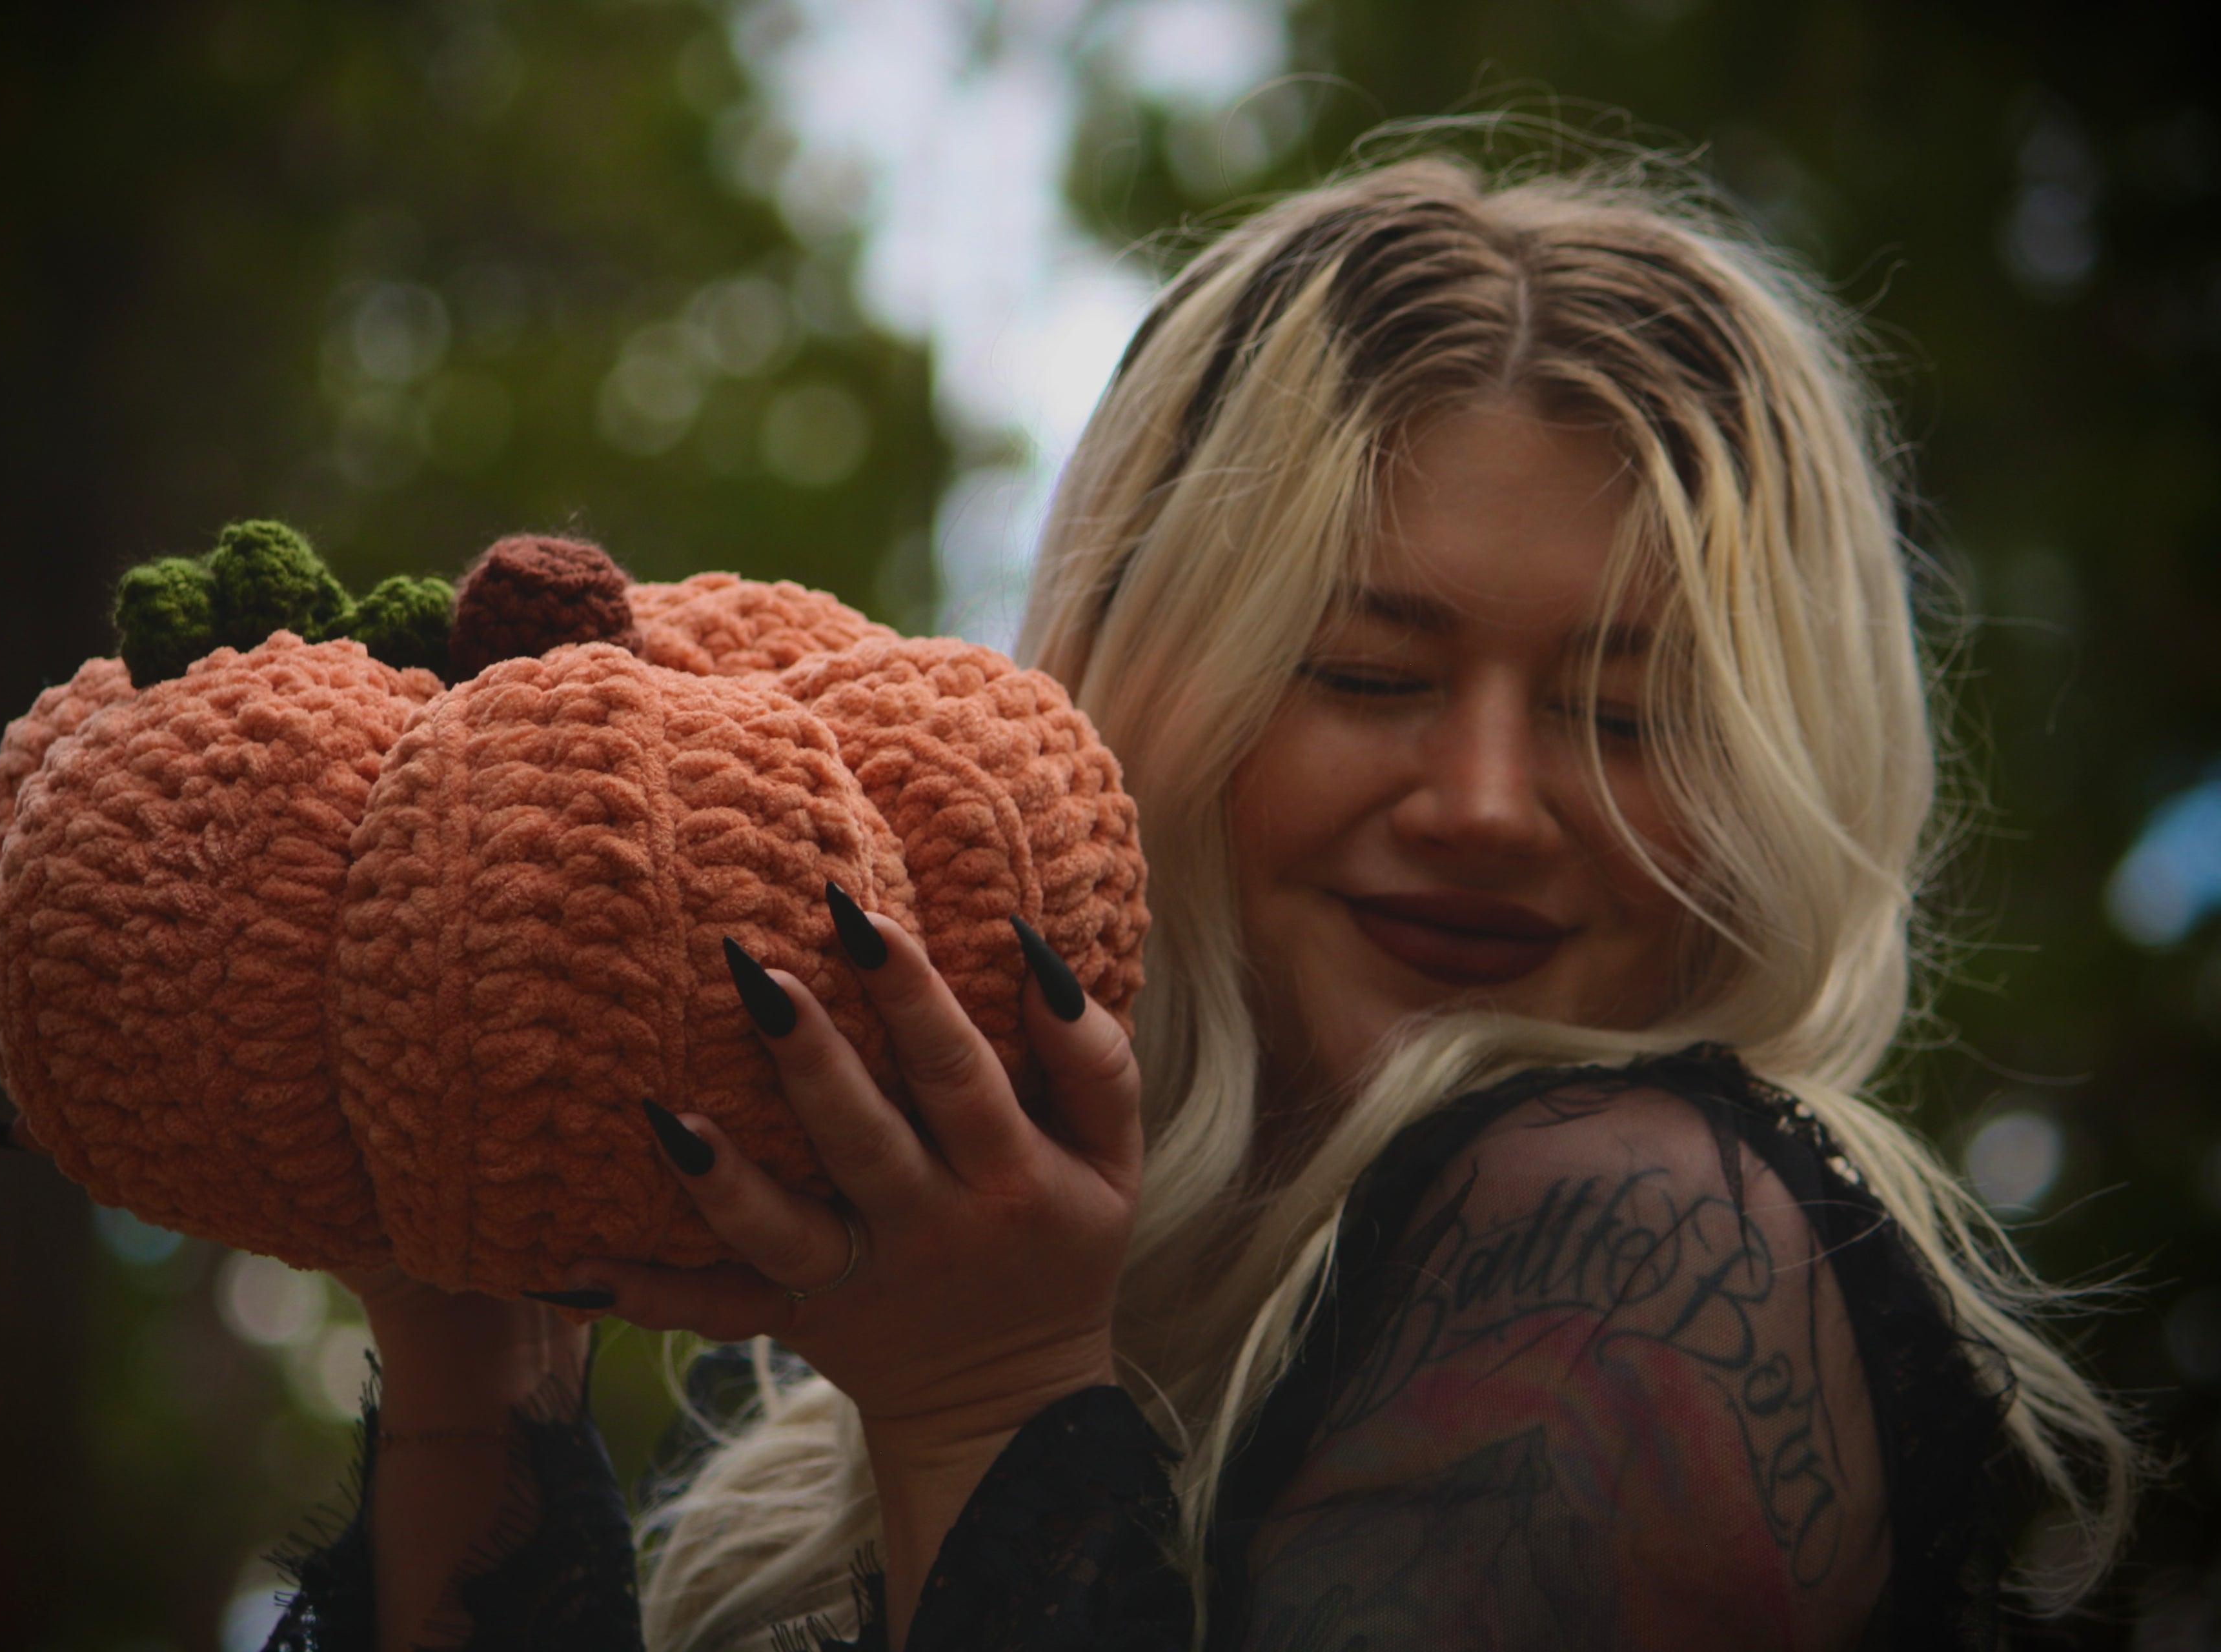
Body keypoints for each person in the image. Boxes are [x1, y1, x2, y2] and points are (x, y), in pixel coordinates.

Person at [270, 148, 2138, 1652]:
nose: (1487, 806)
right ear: (1139, 691)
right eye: (1371, 676)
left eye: (1620, 715)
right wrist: (478, 1366)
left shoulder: (1645, 1243)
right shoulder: (862, 1351)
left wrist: (988, 1416)